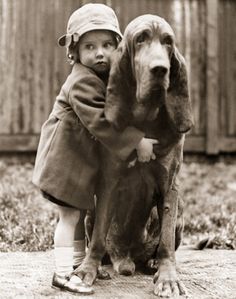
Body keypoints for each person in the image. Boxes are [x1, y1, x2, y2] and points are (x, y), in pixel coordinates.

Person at [32, 3, 157, 295]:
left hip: (79, 160)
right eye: (89, 46)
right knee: (69, 217)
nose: (99, 53)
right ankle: (62, 273)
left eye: (106, 45)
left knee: (78, 213)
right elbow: (101, 122)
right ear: (74, 52)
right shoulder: (81, 81)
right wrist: (136, 141)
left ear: (118, 48)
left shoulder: (102, 77)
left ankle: (80, 265)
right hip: (63, 160)